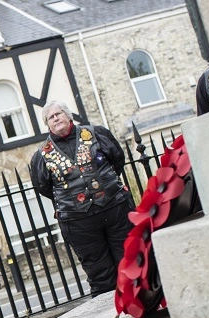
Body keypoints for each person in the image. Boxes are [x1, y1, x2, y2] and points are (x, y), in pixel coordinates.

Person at [30, 100, 134, 297]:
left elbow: (117, 159)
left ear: (69, 116)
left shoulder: (97, 133)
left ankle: (142, 307)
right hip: (78, 223)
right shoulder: (41, 156)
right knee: (100, 277)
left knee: (131, 261)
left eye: (58, 113)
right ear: (47, 125)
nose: (55, 118)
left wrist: (106, 186)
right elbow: (43, 186)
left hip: (115, 210)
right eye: (50, 117)